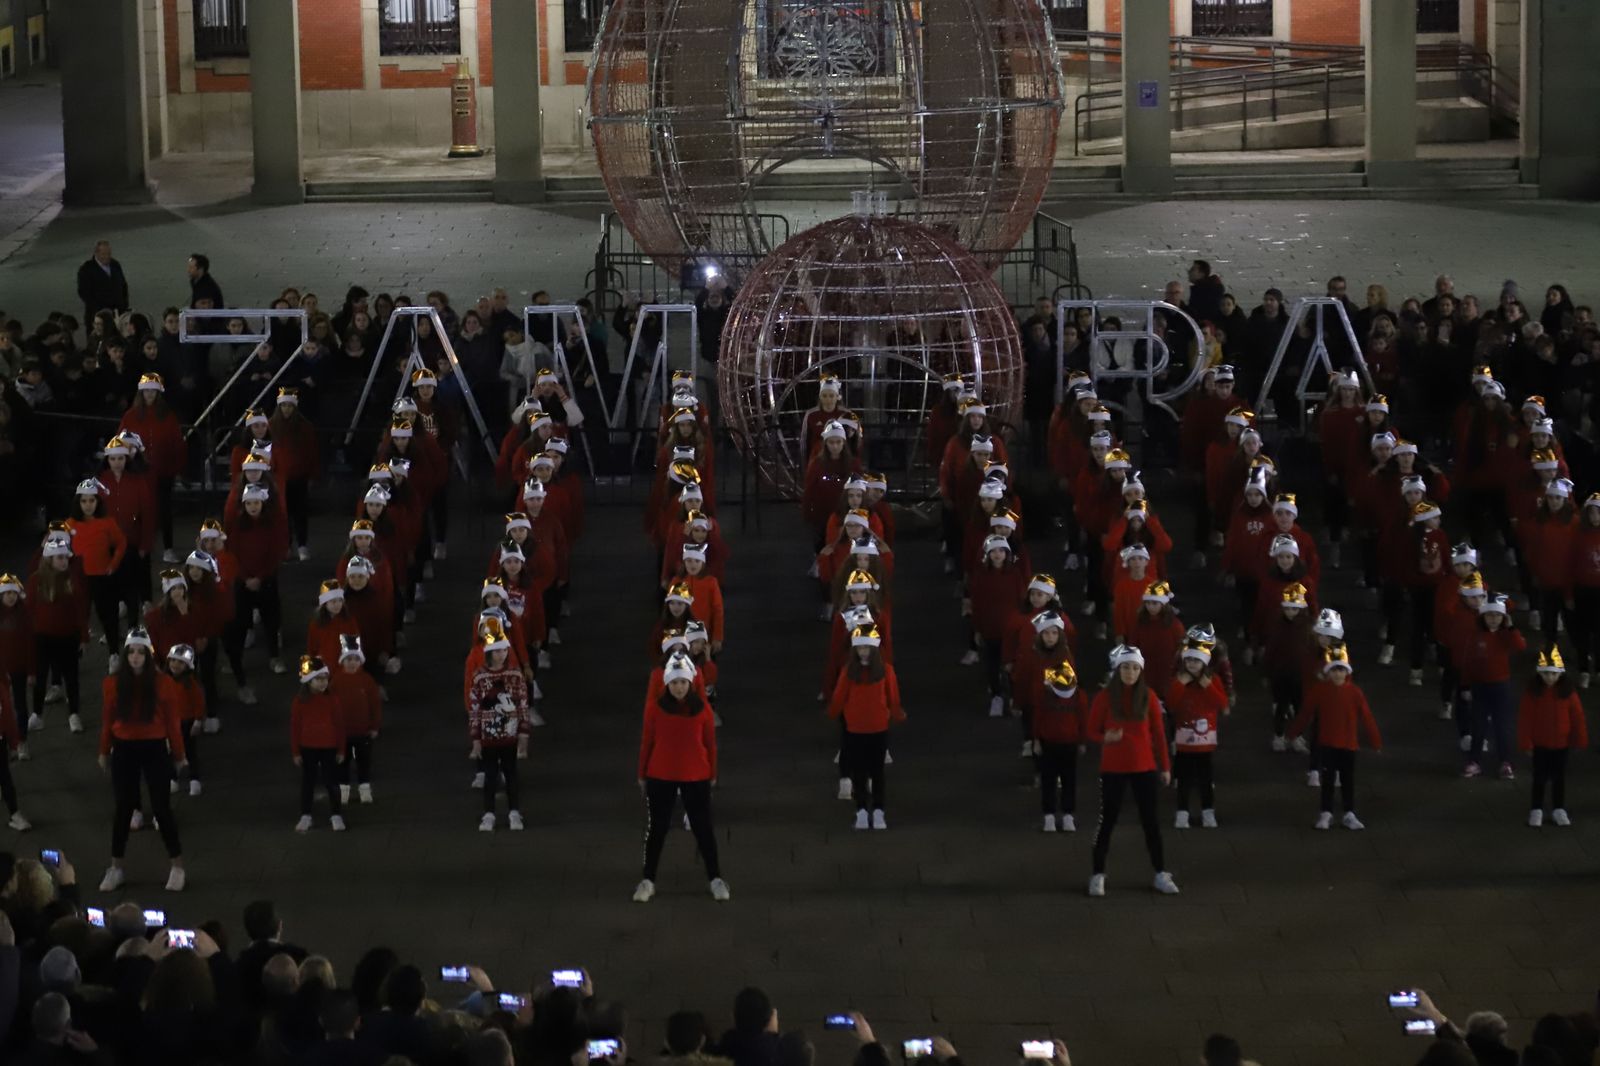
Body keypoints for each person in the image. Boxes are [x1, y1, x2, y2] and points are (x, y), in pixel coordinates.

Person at [96, 627, 187, 893]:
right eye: (131, 652)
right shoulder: (112, 683)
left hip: (154, 747)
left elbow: (173, 723)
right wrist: (104, 750)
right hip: (124, 748)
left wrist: (179, 755)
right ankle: (116, 868)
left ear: (149, 655)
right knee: (123, 809)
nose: (135, 657)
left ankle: (178, 866)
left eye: (141, 652)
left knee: (161, 808)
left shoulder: (163, 684)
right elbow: (108, 721)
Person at [1085, 644, 1178, 897]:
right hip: (1113, 768)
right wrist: (1106, 737)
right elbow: (1090, 731)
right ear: (1118, 669)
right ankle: (1097, 874)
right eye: (1126, 667)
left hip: (1144, 767)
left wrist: (1165, 767)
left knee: (1151, 823)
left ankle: (1160, 872)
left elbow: (1159, 734)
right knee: (1108, 821)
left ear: (1141, 671)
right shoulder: (1104, 697)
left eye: (1135, 668)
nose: (1130, 672)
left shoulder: (1148, 696)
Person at [635, 651, 727, 902]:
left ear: (690, 683)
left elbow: (710, 744)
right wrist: (642, 773)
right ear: (667, 683)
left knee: (703, 828)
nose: (678, 687)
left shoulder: (702, 711)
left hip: (696, 775)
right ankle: (648, 879)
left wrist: (712, 773)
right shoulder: (655, 709)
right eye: (674, 682)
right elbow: (647, 742)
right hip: (660, 774)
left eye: (683, 682)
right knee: (657, 828)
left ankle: (715, 878)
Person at [1288, 642, 1382, 830]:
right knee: (1328, 781)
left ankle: (1348, 813)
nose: (1338, 674)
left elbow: (1367, 717)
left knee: (1348, 781)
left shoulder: (1355, 693)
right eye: (1334, 670)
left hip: (1348, 744)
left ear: (1347, 672)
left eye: (1341, 670)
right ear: (1328, 671)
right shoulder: (1320, 691)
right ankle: (1326, 813)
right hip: (1327, 743)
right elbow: (1306, 713)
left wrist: (1375, 740)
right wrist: (1293, 732)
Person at [827, 625, 905, 831]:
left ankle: (878, 810)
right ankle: (862, 810)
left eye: (867, 648)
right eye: (860, 648)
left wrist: (896, 712)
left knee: (877, 772)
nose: (864, 652)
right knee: (859, 772)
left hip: (878, 727)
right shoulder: (849, 671)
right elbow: (839, 696)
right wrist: (834, 711)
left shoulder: (885, 670)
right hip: (855, 728)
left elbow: (893, 695)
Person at [466, 622, 531, 832]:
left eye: (504, 650)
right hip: (488, 737)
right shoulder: (479, 677)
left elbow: (522, 705)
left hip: (510, 736)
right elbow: (475, 710)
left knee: (511, 774)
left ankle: (514, 811)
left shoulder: (515, 675)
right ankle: (489, 813)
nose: (502, 654)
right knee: (490, 775)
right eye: (497, 650)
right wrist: (475, 739)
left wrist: (524, 735)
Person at [1518, 647, 1587, 827]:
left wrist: (1579, 739)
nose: (1550, 678)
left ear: (1560, 675)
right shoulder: (1532, 693)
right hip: (1540, 744)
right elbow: (1525, 719)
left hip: (1561, 745)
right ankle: (1536, 809)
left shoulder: (1568, 693)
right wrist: (1526, 743)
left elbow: (1577, 717)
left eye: (1553, 674)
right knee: (1539, 778)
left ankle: (1558, 808)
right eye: (1547, 674)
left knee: (1559, 778)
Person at [1167, 639, 1228, 830]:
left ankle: (1208, 812)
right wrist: (1180, 685)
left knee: (1206, 780)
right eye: (1189, 660)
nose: (1192, 664)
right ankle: (1182, 813)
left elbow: (1222, 704)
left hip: (1205, 742)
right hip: (1184, 742)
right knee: (1183, 779)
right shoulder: (1178, 681)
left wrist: (1207, 685)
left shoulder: (1213, 680)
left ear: (1205, 662)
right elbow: (1171, 704)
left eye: (1196, 661)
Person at [291, 656, 347, 833]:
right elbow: (295, 727)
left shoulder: (332, 700)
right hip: (308, 747)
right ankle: (306, 815)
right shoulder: (299, 702)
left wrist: (341, 749)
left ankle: (336, 814)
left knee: (331, 782)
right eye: (319, 679)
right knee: (308, 782)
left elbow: (339, 725)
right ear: (309, 681)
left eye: (325, 678)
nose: (323, 683)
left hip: (329, 746)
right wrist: (296, 752)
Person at [1033, 660, 1085, 833]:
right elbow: (1037, 717)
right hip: (1049, 744)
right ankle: (1049, 816)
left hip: (1070, 744)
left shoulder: (1079, 696)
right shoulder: (1043, 695)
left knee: (1069, 780)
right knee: (1048, 780)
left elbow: (1082, 719)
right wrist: (1037, 739)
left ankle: (1068, 815)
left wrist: (1082, 741)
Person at [332, 634, 382, 806]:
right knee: (342, 763)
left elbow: (375, 705)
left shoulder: (367, 681)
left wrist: (374, 726)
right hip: (343, 733)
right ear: (342, 661)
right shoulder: (336, 682)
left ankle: (364, 789)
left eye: (355, 659)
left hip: (363, 731)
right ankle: (344, 791)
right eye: (348, 659)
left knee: (364, 762)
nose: (352, 662)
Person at [161, 644, 206, 798]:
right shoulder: (164, 681)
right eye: (173, 660)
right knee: (170, 752)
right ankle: (172, 778)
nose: (175, 665)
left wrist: (198, 721)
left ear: (188, 665)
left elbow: (199, 703)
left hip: (187, 723)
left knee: (190, 751)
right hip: (171, 724)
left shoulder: (191, 684)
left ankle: (194, 779)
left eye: (180, 662)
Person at [76, 240, 130, 324]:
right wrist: (100, 311)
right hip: (97, 318)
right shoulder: (86, 269)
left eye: (109, 253)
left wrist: (124, 305)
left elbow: (123, 286)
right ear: (96, 253)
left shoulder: (115, 265)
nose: (107, 256)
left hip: (118, 315)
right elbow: (84, 293)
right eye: (104, 254)